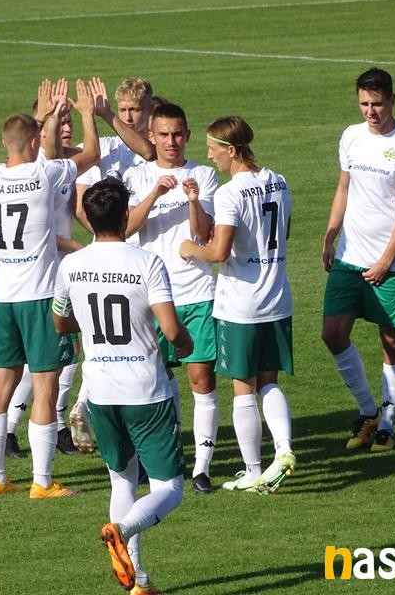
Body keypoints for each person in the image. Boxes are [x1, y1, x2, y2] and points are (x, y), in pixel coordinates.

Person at [52, 177, 193, 593]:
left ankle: (139, 580)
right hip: (146, 391)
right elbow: (171, 330)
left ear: (89, 220)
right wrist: (186, 345)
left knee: (122, 480)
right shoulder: (147, 263)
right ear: (126, 215)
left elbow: (59, 321)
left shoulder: (71, 265)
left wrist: (86, 325)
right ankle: (122, 529)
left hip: (100, 391)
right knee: (170, 488)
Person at [0, 79, 99, 498]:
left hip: (3, 296)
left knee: (2, 386)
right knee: (46, 386)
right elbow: (90, 154)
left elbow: (28, 145)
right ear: (35, 141)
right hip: (39, 295)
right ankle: (42, 482)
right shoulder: (45, 174)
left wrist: (42, 117)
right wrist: (85, 114)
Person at [180, 116, 295, 494]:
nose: (209, 155)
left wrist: (190, 249)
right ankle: (283, 449)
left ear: (231, 150)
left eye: (213, 149)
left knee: (243, 387)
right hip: (277, 298)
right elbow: (284, 232)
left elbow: (218, 252)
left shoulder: (230, 193)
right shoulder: (279, 181)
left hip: (241, 305)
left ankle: (252, 470)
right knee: (268, 381)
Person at [321, 67, 395, 452]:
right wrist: (330, 234)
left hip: (389, 264)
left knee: (391, 342)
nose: (370, 111)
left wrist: (385, 261)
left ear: (392, 100)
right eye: (364, 103)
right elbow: (343, 188)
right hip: (349, 257)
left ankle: (387, 424)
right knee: (332, 333)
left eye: (377, 104)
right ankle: (368, 410)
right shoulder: (351, 136)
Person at [124, 102, 220, 494]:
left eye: (178, 134)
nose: (171, 141)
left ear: (187, 135)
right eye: (163, 134)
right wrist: (153, 194)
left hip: (196, 290)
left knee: (201, 378)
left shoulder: (204, 174)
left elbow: (204, 234)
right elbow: (125, 228)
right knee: (157, 380)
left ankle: (202, 468)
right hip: (151, 297)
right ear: (151, 136)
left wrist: (193, 201)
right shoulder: (136, 176)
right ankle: (167, 457)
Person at [68, 77, 157, 450]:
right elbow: (79, 201)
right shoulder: (104, 148)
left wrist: (105, 115)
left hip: (145, 255)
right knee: (115, 340)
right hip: (112, 255)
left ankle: (87, 403)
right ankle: (91, 406)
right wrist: (107, 233)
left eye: (135, 110)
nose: (129, 116)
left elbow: (148, 151)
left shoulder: (156, 144)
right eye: (123, 110)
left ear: (150, 109)